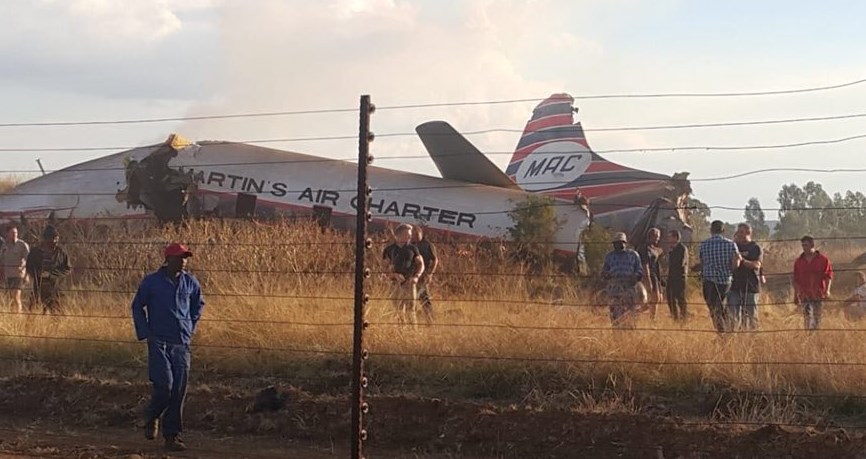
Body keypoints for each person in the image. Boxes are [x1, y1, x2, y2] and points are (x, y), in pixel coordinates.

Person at [132, 243, 204, 452]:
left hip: (181, 342)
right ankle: (151, 415)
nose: (183, 261)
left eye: (185, 257)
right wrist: (145, 333)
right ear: (168, 259)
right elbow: (137, 306)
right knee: (165, 385)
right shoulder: (152, 282)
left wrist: (190, 326)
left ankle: (172, 436)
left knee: (179, 390)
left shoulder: (190, 282)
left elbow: (198, 305)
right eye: (179, 257)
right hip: (159, 341)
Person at [699, 220, 742, 334]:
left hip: (709, 280)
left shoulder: (704, 244)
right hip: (724, 281)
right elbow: (735, 264)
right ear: (723, 230)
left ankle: (721, 331)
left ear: (711, 230)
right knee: (722, 306)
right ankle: (727, 329)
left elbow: (702, 262)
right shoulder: (731, 244)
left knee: (713, 308)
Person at [382, 224, 424, 326]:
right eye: (407, 234)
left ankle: (413, 330)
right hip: (395, 283)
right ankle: (401, 330)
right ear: (398, 235)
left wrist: (416, 277)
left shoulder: (413, 249)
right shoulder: (389, 250)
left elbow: (421, 264)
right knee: (398, 309)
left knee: (411, 309)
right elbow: (383, 268)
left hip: (409, 283)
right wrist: (393, 275)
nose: (409, 237)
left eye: (410, 235)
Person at [25, 225, 71, 314]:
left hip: (55, 287)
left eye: (56, 239)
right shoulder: (35, 252)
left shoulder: (61, 252)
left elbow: (67, 268)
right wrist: (37, 274)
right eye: (52, 239)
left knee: (57, 313)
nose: (54, 241)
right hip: (38, 286)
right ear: (45, 239)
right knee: (33, 312)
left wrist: (51, 274)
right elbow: (29, 267)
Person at [602, 232, 643, 328]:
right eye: (615, 243)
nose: (618, 245)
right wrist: (606, 275)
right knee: (615, 316)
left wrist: (635, 277)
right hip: (614, 289)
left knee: (630, 314)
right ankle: (617, 336)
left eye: (620, 242)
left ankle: (630, 335)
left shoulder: (633, 255)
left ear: (625, 243)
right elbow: (604, 271)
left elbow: (640, 270)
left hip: (630, 288)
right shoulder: (609, 256)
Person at [792, 235, 833, 331]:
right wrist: (795, 295)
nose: (804, 248)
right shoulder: (799, 262)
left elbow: (828, 276)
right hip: (804, 294)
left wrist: (827, 290)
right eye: (803, 245)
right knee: (807, 317)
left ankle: (815, 336)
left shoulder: (823, 260)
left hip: (818, 293)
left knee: (817, 318)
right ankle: (808, 336)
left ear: (812, 245)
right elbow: (796, 280)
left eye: (806, 245)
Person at [728, 223, 763, 331]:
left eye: (741, 232)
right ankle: (736, 339)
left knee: (751, 316)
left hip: (750, 287)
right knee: (733, 316)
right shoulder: (733, 247)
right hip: (734, 287)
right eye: (738, 232)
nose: (738, 234)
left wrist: (742, 260)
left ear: (748, 232)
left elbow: (756, 265)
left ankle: (753, 340)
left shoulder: (755, 247)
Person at [0, 224, 30, 313]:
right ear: (7, 234)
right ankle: (12, 314)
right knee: (10, 297)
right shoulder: (4, 246)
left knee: (16, 295)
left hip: (19, 274)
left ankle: (18, 315)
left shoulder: (22, 245)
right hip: (8, 275)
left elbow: (29, 261)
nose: (14, 234)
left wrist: (27, 275)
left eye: (16, 232)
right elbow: (2, 260)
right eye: (12, 233)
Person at [412, 227, 438, 325]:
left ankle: (430, 320)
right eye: (413, 234)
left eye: (417, 234)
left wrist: (430, 274)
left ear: (421, 233)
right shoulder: (411, 245)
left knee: (424, 298)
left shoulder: (427, 245)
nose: (415, 236)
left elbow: (435, 260)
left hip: (423, 275)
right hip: (412, 275)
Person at [637, 228, 663, 320]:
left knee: (658, 300)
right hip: (648, 275)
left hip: (655, 276)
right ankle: (649, 317)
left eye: (658, 237)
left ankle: (638, 312)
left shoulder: (653, 248)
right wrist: (648, 281)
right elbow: (645, 265)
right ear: (651, 236)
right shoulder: (644, 248)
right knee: (653, 299)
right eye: (656, 237)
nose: (658, 239)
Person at [665, 229, 689, 322]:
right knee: (670, 299)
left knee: (680, 299)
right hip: (671, 278)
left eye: (670, 237)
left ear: (675, 237)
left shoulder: (682, 249)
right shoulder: (672, 250)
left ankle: (684, 318)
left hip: (680, 278)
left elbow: (680, 263)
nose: (668, 239)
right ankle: (675, 318)